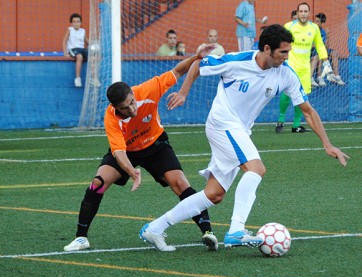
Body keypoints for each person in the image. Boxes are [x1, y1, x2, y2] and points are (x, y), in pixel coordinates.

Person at [139, 24, 349, 252]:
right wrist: (183, 92)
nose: (287, 57)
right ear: (267, 49)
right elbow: (199, 65)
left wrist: (327, 144)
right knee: (256, 169)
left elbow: (307, 110)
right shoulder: (236, 61)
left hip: (239, 130)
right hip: (222, 123)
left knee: (214, 194)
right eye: (283, 52)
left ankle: (155, 228)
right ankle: (236, 230)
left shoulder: (286, 74)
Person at [64, 43, 218, 252]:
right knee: (97, 183)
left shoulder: (148, 90)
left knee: (180, 183)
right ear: (115, 108)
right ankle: (81, 238)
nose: (132, 109)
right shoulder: (111, 118)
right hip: (127, 151)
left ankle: (208, 232)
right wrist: (132, 172)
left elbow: (178, 71)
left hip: (155, 144)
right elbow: (118, 152)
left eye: (132, 102)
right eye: (125, 108)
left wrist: (195, 56)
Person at [275, 2, 333, 133]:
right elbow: (281, 45)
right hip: (290, 67)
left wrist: (326, 62)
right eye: (301, 11)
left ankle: (296, 125)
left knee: (301, 97)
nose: (303, 14)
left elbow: (320, 46)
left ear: (309, 13)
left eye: (305, 11)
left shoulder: (314, 28)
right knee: (286, 94)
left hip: (305, 69)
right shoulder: (289, 26)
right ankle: (281, 120)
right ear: (297, 13)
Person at [63, 13, 100, 88]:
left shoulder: (83, 31)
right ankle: (77, 78)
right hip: (73, 49)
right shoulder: (70, 30)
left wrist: (95, 42)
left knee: (92, 57)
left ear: (80, 22)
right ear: (71, 23)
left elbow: (87, 41)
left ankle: (94, 78)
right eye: (74, 21)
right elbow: (64, 41)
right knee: (79, 57)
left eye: (78, 21)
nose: (76, 23)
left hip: (82, 49)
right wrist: (65, 52)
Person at [310, 13, 345, 86]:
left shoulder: (323, 32)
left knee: (334, 53)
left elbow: (327, 46)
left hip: (321, 49)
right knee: (319, 54)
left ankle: (337, 76)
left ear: (322, 23)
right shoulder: (311, 31)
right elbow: (310, 45)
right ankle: (319, 77)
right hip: (313, 51)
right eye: (315, 21)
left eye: (317, 21)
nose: (315, 23)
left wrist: (328, 36)